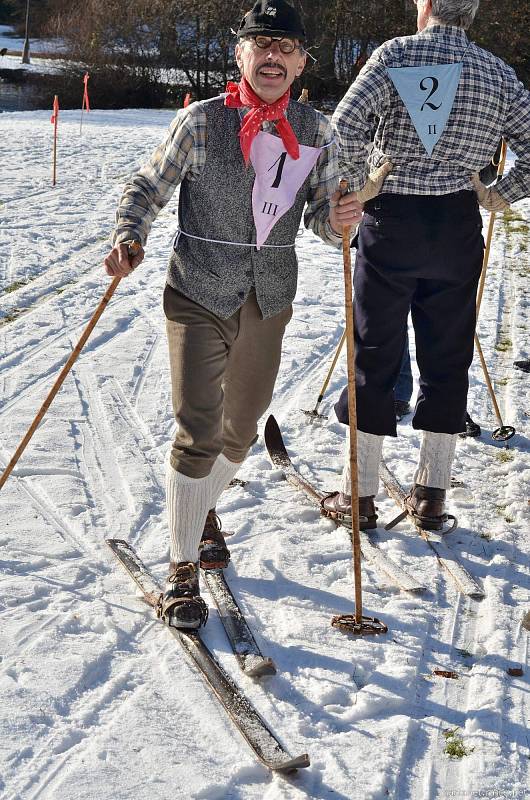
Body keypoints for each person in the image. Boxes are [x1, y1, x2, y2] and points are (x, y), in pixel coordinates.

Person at [102, 0, 378, 629]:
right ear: (241, 55)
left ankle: (200, 510)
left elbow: (319, 213)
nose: (274, 56)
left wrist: (339, 221)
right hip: (198, 288)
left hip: (269, 296)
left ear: (303, 61)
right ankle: (181, 570)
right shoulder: (201, 123)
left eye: (286, 46)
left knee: (241, 431)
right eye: (262, 45)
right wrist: (129, 235)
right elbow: (146, 186)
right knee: (197, 430)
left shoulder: (318, 130)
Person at [322, 0, 530, 531]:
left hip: (391, 222)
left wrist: (355, 190)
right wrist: (497, 195)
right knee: (448, 356)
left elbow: (340, 129)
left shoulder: (394, 54)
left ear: (429, 5)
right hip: (458, 226)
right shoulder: (498, 73)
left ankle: (361, 495)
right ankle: (432, 494)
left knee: (373, 352)